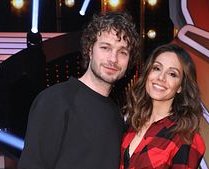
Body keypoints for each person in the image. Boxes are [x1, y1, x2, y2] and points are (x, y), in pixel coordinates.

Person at [18, 11, 140, 169]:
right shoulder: (55, 99)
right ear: (90, 49)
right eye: (105, 47)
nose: (113, 59)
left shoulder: (116, 114)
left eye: (122, 52)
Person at [120, 44, 205, 169]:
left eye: (172, 74)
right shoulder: (132, 122)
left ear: (180, 86)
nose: (161, 78)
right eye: (157, 68)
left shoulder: (186, 137)